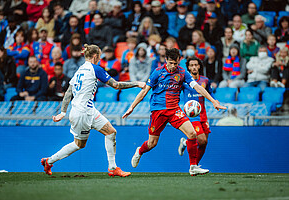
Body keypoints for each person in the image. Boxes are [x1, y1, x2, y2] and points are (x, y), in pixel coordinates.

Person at [41, 44, 145, 177]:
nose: (100, 59)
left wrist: (63, 112)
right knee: (79, 144)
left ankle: (112, 168)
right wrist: (136, 83)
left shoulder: (79, 70)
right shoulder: (95, 69)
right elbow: (116, 85)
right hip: (82, 113)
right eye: (99, 57)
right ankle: (49, 161)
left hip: (88, 110)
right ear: (95, 56)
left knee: (111, 132)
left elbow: (68, 92)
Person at [122, 48, 226, 176]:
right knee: (152, 143)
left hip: (174, 110)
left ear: (179, 61)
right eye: (170, 63)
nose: (172, 66)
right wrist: (132, 107)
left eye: (175, 63)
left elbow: (198, 87)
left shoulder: (182, 72)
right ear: (166, 60)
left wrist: (213, 101)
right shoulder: (157, 72)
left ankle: (193, 167)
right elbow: (144, 91)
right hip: (158, 111)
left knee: (192, 133)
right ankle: (140, 151)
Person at [177, 57, 216, 171]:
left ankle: (194, 164)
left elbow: (210, 92)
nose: (194, 67)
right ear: (188, 67)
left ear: (199, 66)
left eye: (196, 65)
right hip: (192, 116)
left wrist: (215, 101)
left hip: (203, 115)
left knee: (204, 143)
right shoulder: (184, 82)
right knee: (202, 140)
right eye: (191, 65)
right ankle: (193, 166)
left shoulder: (205, 80)